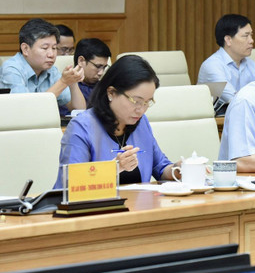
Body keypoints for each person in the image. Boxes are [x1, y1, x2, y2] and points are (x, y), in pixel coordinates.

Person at [56, 55, 178, 187]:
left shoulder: (141, 123)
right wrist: (114, 168)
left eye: (147, 102)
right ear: (111, 93)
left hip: (138, 200)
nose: (141, 110)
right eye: (136, 101)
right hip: (95, 201)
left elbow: (160, 167)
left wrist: (177, 170)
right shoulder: (82, 126)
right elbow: (71, 182)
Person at [1, 18, 86, 111]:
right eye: (45, 48)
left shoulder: (52, 70)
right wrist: (63, 82)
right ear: (25, 49)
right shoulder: (11, 69)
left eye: (54, 48)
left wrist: (73, 82)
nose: (51, 54)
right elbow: (25, 110)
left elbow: (79, 109)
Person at [197, 14, 255, 105]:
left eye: (251, 35)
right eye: (246, 36)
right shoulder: (212, 66)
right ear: (228, 40)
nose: (251, 40)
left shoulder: (250, 63)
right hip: (220, 114)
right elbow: (235, 100)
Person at [73, 38, 112, 105]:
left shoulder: (105, 87)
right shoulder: (67, 90)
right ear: (81, 61)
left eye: (104, 67)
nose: (101, 73)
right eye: (98, 66)